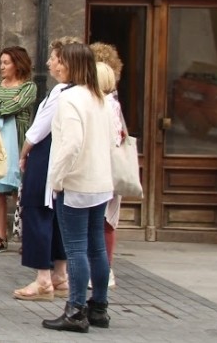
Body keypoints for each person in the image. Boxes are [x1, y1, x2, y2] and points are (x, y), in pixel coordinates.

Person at [43, 43, 116, 333]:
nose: (55, 66)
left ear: (72, 65)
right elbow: (111, 140)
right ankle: (99, 307)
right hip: (100, 181)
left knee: (75, 248)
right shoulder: (101, 97)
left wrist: (56, 178)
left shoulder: (70, 98)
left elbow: (71, 144)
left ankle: (75, 310)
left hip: (76, 183)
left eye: (60, 61)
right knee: (96, 246)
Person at [14, 36, 81, 302]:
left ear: (64, 63)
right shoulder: (80, 91)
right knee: (55, 216)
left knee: (36, 212)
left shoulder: (61, 93)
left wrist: (23, 152)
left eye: (53, 58)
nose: (48, 63)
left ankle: (43, 278)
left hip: (46, 157)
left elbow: (38, 129)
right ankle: (60, 275)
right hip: (60, 159)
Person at [0, 45, 36, 254]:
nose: (2, 67)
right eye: (1, 63)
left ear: (17, 64)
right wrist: (0, 105)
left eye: (6, 63)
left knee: (20, 193)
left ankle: (26, 238)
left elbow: (11, 107)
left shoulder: (28, 87)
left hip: (19, 145)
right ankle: (0, 237)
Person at [91, 42, 127, 289]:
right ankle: (104, 270)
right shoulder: (113, 102)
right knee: (106, 222)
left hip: (101, 169)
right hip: (107, 169)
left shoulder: (106, 104)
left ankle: (103, 270)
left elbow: (115, 137)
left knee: (101, 223)